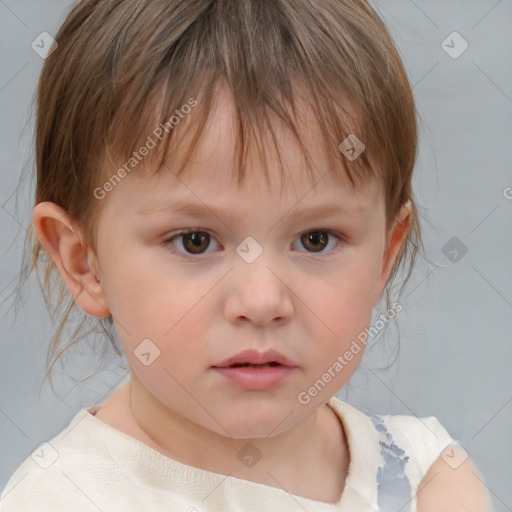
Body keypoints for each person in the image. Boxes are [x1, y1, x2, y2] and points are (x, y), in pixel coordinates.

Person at [0, 0, 492, 510]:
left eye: (316, 239)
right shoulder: (64, 499)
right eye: (195, 241)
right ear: (84, 262)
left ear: (384, 257)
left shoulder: (426, 481)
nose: (261, 301)